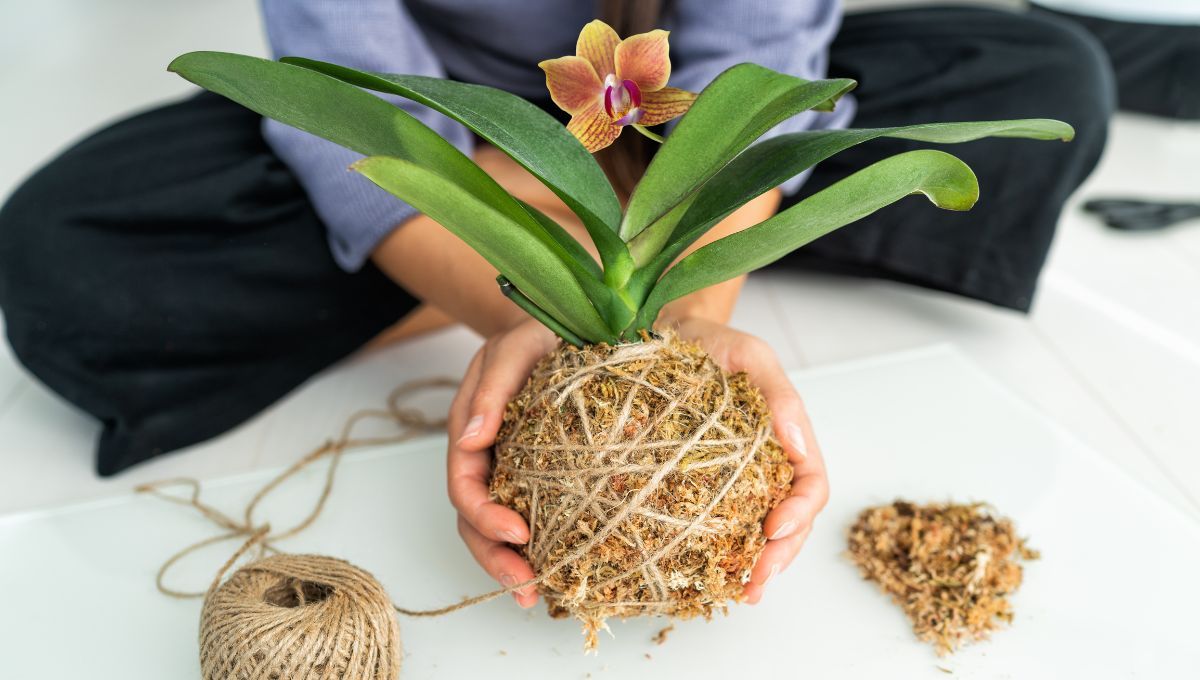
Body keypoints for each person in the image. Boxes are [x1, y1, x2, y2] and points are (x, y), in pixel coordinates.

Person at [0, 0, 1112, 606]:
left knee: (1047, 74)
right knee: (62, 257)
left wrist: (687, 323)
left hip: (688, 130)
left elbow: (759, 82)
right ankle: (584, 233)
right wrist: (522, 263)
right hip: (455, 129)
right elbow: (344, 96)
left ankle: (608, 233)